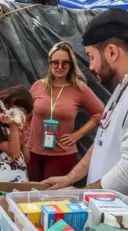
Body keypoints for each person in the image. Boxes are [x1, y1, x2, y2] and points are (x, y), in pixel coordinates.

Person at [42, 8, 128, 208]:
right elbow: (102, 141)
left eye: (91, 56)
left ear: (112, 52)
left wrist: (83, 194)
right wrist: (69, 178)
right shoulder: (127, 83)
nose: (91, 66)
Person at [26, 41, 104, 182]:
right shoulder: (38, 86)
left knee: (51, 197)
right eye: (55, 62)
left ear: (71, 65)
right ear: (49, 63)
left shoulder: (79, 88)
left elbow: (100, 113)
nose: (60, 67)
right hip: (33, 152)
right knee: (30, 195)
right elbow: (27, 114)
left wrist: (77, 135)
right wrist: (25, 138)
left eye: (65, 63)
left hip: (61, 154)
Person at [0, 86, 33, 182]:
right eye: (18, 113)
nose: (20, 117)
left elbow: (26, 159)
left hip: (22, 179)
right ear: (7, 106)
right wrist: (13, 126)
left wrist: (23, 140)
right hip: (4, 181)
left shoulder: (16, 127)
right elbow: (14, 154)